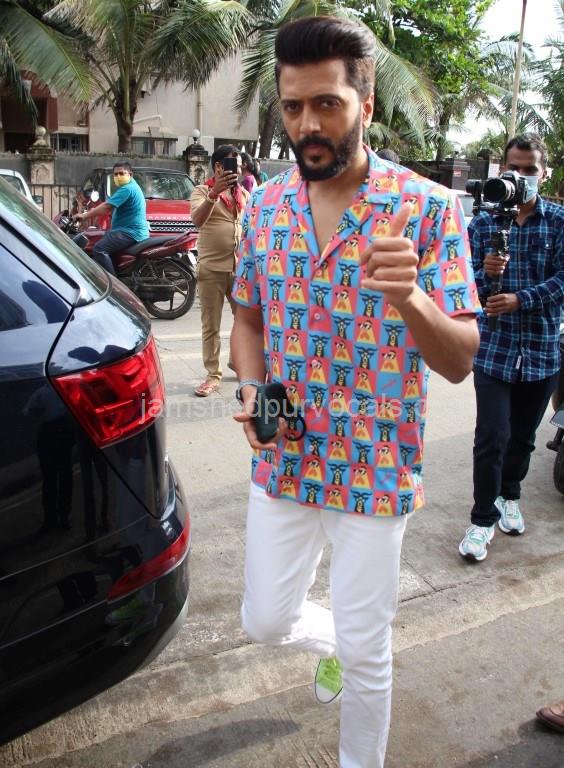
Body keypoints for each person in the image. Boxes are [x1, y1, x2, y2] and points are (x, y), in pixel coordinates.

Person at [229, 15, 480, 768]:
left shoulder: (427, 208)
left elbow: (460, 360)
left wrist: (411, 298)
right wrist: (252, 390)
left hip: (375, 464)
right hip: (285, 456)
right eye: (293, 106)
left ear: (365, 105)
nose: (307, 123)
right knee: (265, 621)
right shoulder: (265, 208)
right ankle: (331, 642)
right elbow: (247, 318)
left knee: (371, 652)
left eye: (327, 104)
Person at [458, 133, 564, 562]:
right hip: (494, 349)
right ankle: (482, 519)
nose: (520, 176)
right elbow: (463, 285)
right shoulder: (483, 223)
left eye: (529, 169)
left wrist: (522, 299)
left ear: (544, 173)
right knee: (491, 436)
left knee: (523, 437)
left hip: (542, 350)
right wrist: (486, 275)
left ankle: (510, 496)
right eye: (513, 168)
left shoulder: (558, 221)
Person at [191, 145, 249, 397]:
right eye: (233, 165)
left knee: (245, 322)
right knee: (211, 326)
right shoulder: (202, 191)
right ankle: (213, 375)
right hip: (211, 269)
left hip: (239, 269)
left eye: (240, 167)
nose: (238, 171)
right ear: (218, 166)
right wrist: (214, 193)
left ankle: (237, 362)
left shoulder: (243, 194)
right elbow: (197, 220)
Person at [73, 162, 148, 275]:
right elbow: (109, 206)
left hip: (130, 232)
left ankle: (113, 283)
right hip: (128, 231)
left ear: (130, 174)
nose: (118, 177)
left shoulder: (127, 189)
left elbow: (107, 206)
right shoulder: (132, 186)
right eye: (116, 174)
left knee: (99, 249)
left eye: (121, 173)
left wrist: (84, 216)